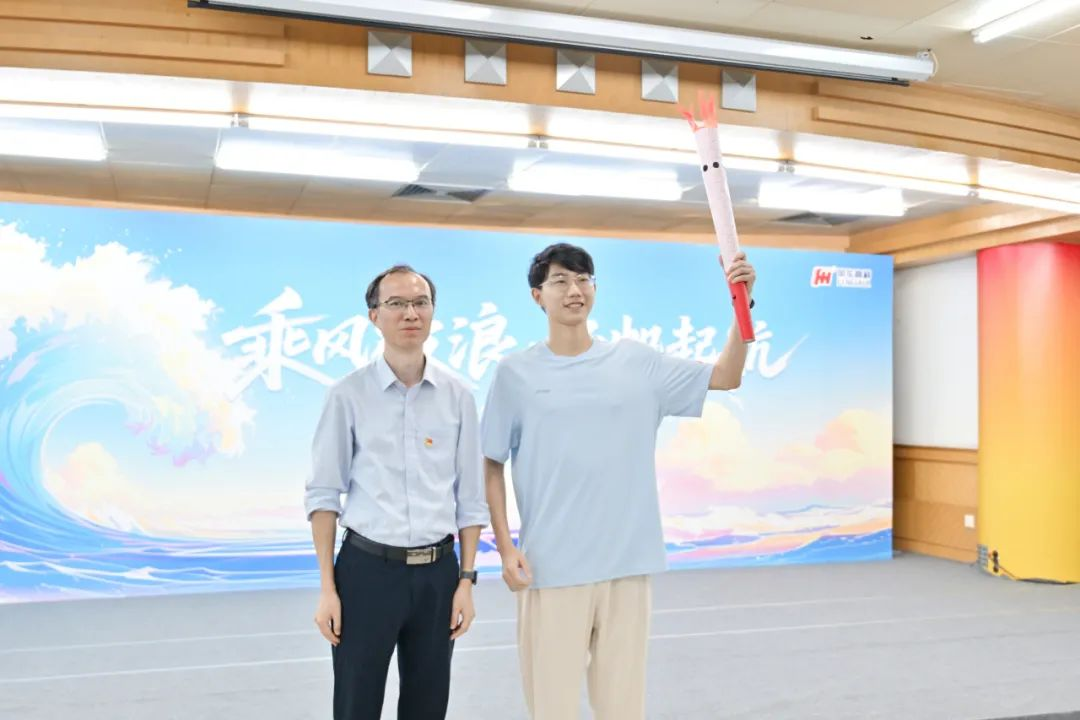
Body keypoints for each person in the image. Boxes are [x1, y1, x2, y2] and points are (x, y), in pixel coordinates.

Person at [481, 242, 756, 720]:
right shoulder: (516, 374)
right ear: (537, 296)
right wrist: (506, 549)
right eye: (560, 281)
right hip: (553, 568)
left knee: (623, 708)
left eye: (583, 279)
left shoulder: (637, 363)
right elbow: (491, 463)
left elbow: (726, 375)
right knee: (552, 708)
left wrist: (743, 303)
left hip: (628, 565)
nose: (574, 290)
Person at [305, 264, 489, 720]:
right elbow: (324, 495)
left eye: (421, 303)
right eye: (397, 304)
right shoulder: (347, 395)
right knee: (356, 704)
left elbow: (470, 498)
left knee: (428, 705)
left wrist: (466, 581)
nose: (411, 313)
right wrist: (327, 588)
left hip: (437, 575)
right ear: (374, 316)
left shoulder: (458, 396)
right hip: (366, 572)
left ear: (432, 312)